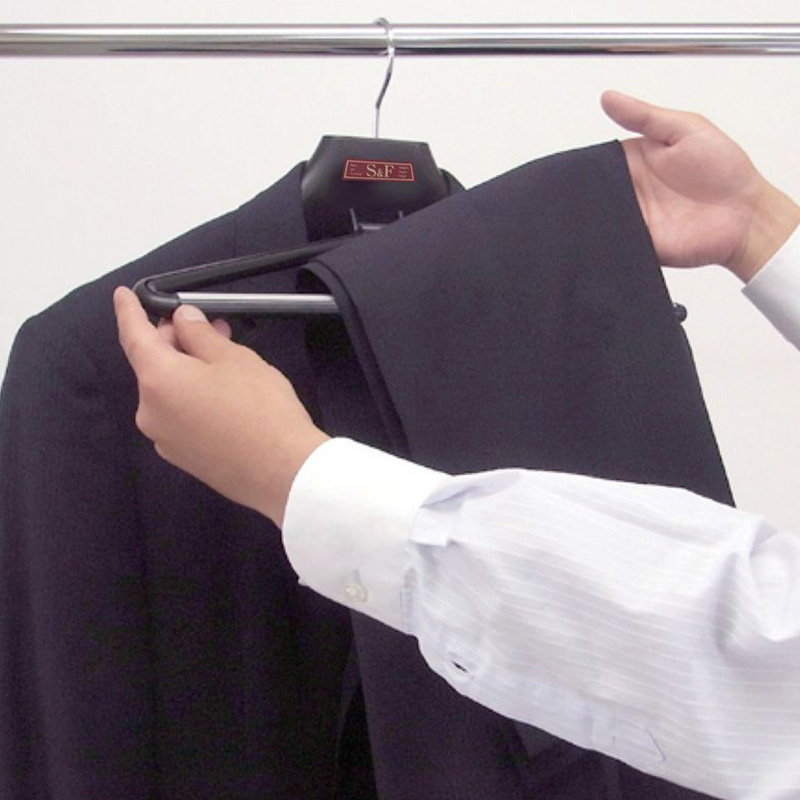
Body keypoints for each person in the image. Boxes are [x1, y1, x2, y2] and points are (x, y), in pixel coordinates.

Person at [114, 92, 800, 800]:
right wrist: (761, 227)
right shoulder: (89, 374)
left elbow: (754, 661)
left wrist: (296, 475)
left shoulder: (561, 316)